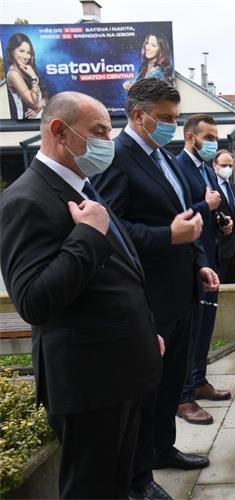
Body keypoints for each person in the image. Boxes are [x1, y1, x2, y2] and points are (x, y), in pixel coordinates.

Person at [0, 91, 162, 498]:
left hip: (119, 368)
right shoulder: (25, 199)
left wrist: (143, 331)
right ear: (59, 131)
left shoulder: (82, 185)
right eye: (99, 131)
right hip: (89, 383)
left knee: (116, 484)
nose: (109, 141)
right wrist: (87, 234)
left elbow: (116, 275)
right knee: (90, 489)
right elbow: (34, 300)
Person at [92, 78, 219, 500]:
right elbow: (112, 229)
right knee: (146, 389)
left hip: (181, 289)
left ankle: (163, 449)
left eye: (175, 118)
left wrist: (199, 262)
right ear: (137, 115)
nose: (171, 126)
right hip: (148, 296)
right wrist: (168, 237)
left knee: (170, 383)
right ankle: (138, 478)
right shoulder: (117, 157)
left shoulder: (163, 156)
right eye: (164, 118)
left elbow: (184, 217)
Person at [173, 114, 231, 425]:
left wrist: (220, 221)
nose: (213, 143)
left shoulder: (206, 169)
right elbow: (179, 214)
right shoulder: (178, 168)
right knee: (191, 328)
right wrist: (206, 207)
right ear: (190, 137)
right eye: (208, 138)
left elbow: (210, 209)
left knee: (206, 324)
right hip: (191, 261)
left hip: (210, 256)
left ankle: (198, 380)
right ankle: (183, 394)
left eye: (215, 138)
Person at [213, 149, 235, 283]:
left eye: (230, 165)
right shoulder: (210, 187)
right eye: (224, 165)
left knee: (232, 285)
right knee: (219, 287)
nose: (227, 168)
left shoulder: (234, 188)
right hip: (219, 247)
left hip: (234, 247)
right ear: (215, 165)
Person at [4, 32, 46, 119]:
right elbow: (33, 103)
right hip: (26, 123)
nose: (26, 56)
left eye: (28, 52)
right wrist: (33, 78)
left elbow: (45, 96)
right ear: (12, 51)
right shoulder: (13, 74)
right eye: (21, 51)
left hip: (41, 119)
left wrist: (41, 105)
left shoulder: (28, 70)